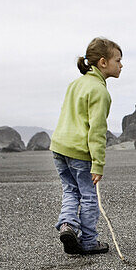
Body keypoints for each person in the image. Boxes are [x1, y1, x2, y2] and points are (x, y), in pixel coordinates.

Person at [50, 37, 123, 255]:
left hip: (59, 147)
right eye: (117, 60)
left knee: (71, 190)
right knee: (89, 196)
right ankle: (89, 242)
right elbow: (97, 130)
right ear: (103, 62)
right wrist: (98, 164)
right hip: (80, 152)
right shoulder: (100, 92)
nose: (121, 65)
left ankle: (68, 226)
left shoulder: (75, 84)